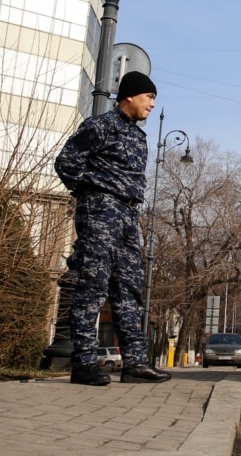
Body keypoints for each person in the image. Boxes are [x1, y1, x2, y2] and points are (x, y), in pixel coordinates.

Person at [54, 71, 172, 386]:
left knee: (129, 290)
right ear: (130, 96)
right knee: (92, 287)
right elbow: (66, 162)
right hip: (101, 212)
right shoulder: (99, 126)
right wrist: (91, 193)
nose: (152, 104)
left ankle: (134, 363)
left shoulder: (139, 136)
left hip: (129, 216)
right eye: (149, 97)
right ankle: (83, 364)